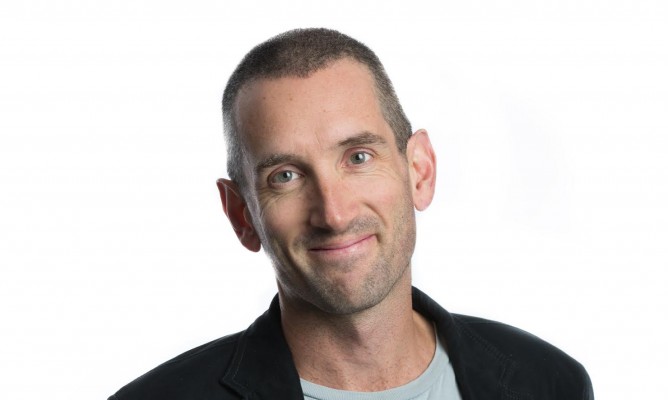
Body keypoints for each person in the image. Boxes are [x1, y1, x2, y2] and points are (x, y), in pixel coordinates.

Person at [109, 28, 593, 400]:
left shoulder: (549, 382)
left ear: (420, 171)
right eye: (285, 176)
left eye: (358, 157)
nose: (334, 214)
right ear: (242, 214)